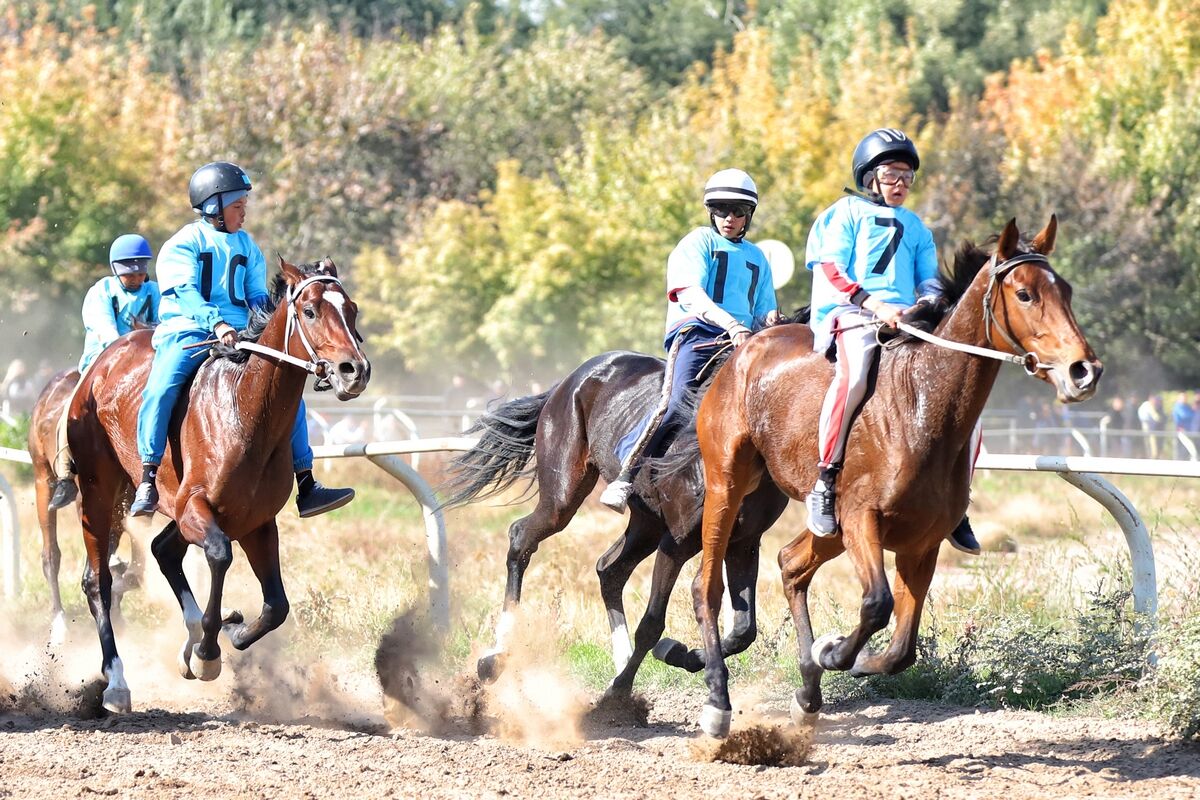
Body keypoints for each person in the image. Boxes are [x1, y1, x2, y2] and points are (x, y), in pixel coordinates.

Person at [129, 161, 354, 518]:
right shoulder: (182, 244)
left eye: (244, 206)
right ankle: (148, 476)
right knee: (161, 388)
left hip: (241, 335)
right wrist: (216, 323)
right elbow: (185, 292)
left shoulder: (247, 245)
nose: (243, 213)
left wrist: (270, 330)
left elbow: (257, 298)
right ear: (212, 206)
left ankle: (307, 482)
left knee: (287, 391)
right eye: (237, 207)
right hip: (188, 331)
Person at [803, 128, 980, 554]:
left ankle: (958, 505)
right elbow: (830, 268)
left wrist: (926, 303)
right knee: (855, 376)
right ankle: (826, 480)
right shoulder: (844, 213)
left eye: (907, 177)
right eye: (891, 175)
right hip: (854, 315)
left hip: (908, 322)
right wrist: (876, 306)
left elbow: (930, 280)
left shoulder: (917, 226)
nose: (900, 184)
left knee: (966, 404)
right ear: (869, 178)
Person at [600, 168, 779, 513]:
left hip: (743, 344)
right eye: (722, 209)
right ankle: (626, 474)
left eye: (738, 211)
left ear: (749, 216)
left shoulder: (758, 258)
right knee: (676, 400)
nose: (729, 217)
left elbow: (764, 310)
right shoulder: (698, 242)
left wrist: (773, 321)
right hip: (698, 335)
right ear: (711, 211)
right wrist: (730, 323)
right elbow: (691, 294)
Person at [47, 234, 163, 509]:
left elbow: (164, 323)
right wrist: (135, 340)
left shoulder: (155, 292)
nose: (135, 276)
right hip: (101, 366)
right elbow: (106, 330)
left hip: (144, 365)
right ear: (115, 269)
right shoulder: (102, 292)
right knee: (73, 409)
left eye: (140, 269)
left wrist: (151, 334)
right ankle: (65, 473)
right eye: (129, 272)